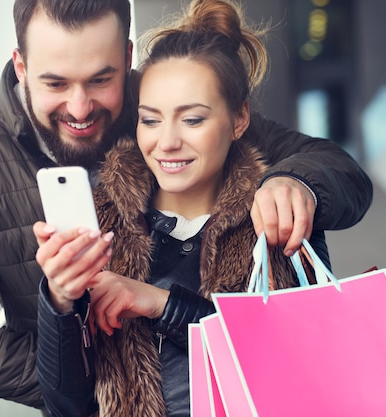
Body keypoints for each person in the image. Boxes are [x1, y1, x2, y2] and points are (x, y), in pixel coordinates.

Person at [0, 0, 372, 412]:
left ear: (127, 61)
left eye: (101, 80)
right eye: (56, 84)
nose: (81, 108)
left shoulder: (169, 93)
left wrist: (297, 181)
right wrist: (97, 372)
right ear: (21, 67)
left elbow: (327, 164)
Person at [33, 0, 348, 415]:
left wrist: (162, 304)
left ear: (239, 120)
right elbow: (65, 407)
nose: (166, 142)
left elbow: (297, 371)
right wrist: (59, 300)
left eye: (192, 120)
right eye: (151, 119)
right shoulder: (105, 223)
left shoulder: (277, 217)